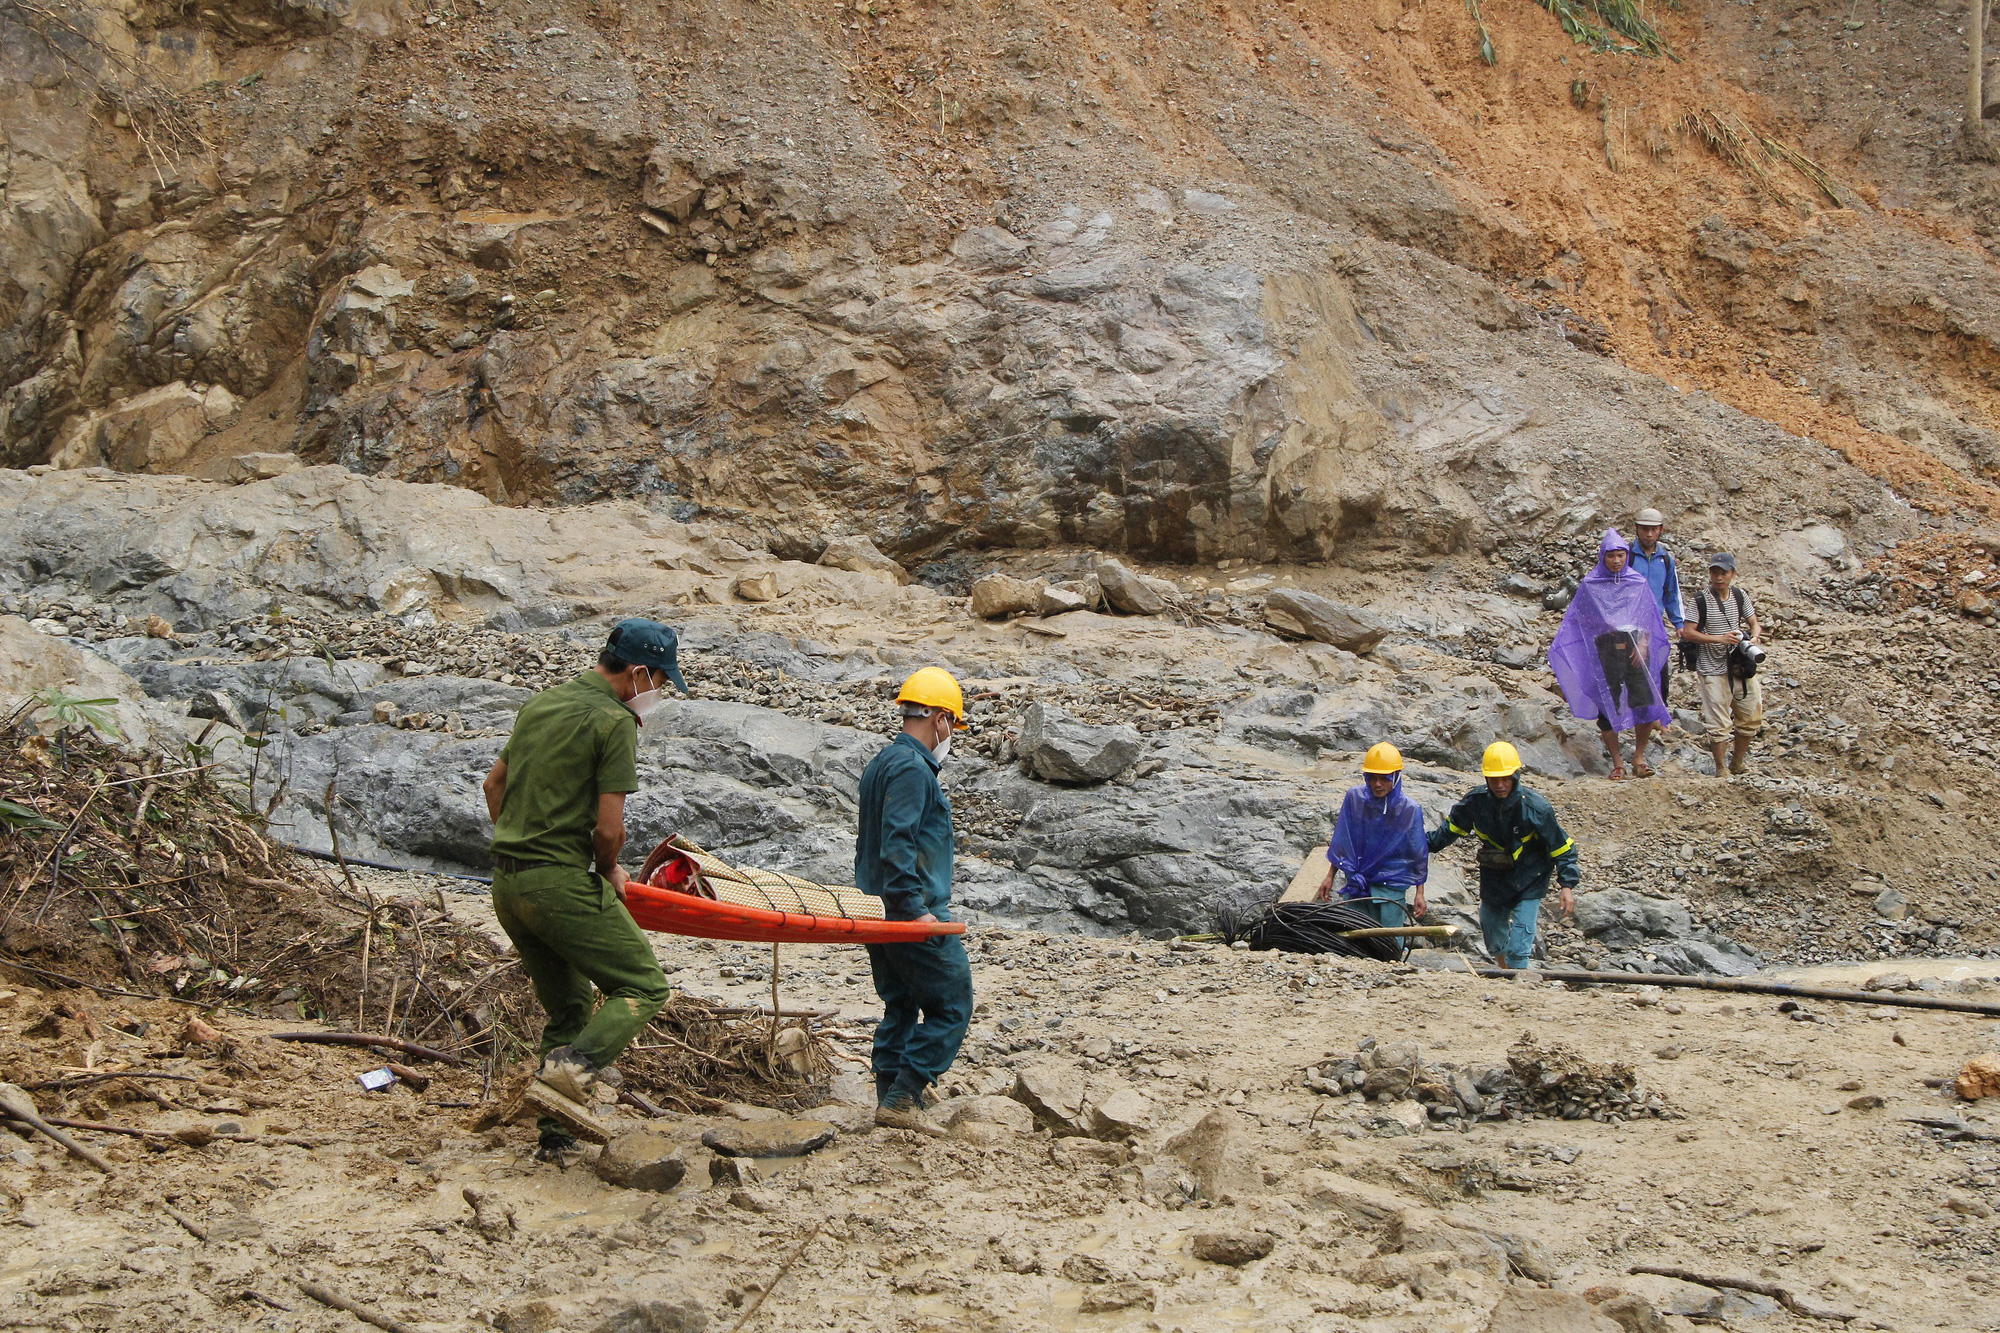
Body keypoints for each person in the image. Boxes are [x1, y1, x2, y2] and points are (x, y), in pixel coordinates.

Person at [480, 618, 686, 1156]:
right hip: (560, 885)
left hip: (507, 884)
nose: (658, 693)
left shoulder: (543, 703)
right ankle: (568, 1075)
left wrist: (519, 843)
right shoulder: (612, 721)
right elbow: (609, 828)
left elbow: (493, 785)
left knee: (569, 1009)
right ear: (639, 672)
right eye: (660, 682)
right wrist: (608, 868)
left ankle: (555, 1136)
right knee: (643, 987)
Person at [855, 666, 973, 1136]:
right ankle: (905, 1093)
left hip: (875, 908)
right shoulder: (910, 768)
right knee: (952, 1003)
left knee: (900, 1003)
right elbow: (897, 845)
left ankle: (890, 1099)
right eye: (952, 725)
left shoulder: (883, 761)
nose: (951, 735)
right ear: (940, 718)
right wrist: (915, 910)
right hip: (907, 911)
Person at [1426, 742, 1579, 971]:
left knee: (1522, 932)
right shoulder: (1475, 803)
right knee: (1491, 927)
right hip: (1495, 874)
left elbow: (1560, 846)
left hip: (1531, 875)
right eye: (1494, 779)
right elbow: (1448, 832)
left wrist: (1567, 885)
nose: (1500, 785)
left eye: (1505, 778)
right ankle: (1504, 967)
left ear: (1516, 776)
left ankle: (1518, 972)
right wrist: (1414, 844)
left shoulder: (1536, 808)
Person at [1549, 529, 1674, 780]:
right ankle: (1617, 763)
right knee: (1608, 704)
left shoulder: (1637, 582)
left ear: (1626, 556)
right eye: (1611, 556)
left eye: (1620, 555)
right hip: (1606, 649)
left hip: (1637, 648)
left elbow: (1648, 617)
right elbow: (1579, 620)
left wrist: (1644, 644)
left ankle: (1639, 757)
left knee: (1645, 701)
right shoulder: (1591, 584)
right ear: (1602, 557)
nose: (1616, 561)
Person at [1317, 743, 1428, 927]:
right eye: (1372, 778)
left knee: (1389, 945)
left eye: (1384, 779)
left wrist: (1420, 893)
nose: (1377, 784)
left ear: (1396, 777)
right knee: (1354, 941)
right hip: (1357, 887)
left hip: (1390, 891)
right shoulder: (1355, 798)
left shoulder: (1409, 810)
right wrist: (1330, 876)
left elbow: (1417, 855)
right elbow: (1344, 841)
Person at [1681, 553, 1764, 777]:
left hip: (1739, 665)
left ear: (1732, 574)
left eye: (1723, 573)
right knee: (1718, 721)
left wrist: (1753, 638)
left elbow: (1754, 623)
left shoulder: (1739, 596)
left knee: (1750, 716)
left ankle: (1737, 762)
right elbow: (1688, 632)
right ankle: (1721, 768)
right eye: (1715, 572)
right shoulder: (1699, 600)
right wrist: (1720, 639)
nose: (1719, 577)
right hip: (1712, 667)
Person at [1628, 508, 1685, 709]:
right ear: (1637, 529)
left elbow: (1671, 593)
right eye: (1645, 529)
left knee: (1659, 667)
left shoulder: (1666, 559)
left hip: (1654, 623)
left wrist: (1679, 622)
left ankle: (1658, 712)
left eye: (1653, 529)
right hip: (1627, 623)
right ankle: (1631, 712)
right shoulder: (1626, 557)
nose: (1649, 534)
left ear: (1661, 530)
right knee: (1629, 668)